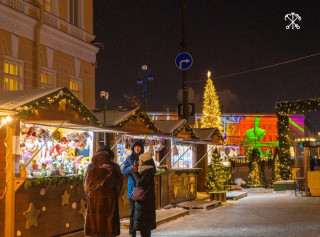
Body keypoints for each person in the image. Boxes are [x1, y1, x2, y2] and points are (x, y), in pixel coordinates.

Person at [84, 146, 123, 237]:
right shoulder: (113, 169)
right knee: (109, 226)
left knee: (96, 228)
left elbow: (87, 187)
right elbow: (119, 186)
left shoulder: (91, 170)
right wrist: (113, 196)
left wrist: (90, 196)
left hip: (94, 203)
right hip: (110, 202)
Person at [131, 147, 156, 237]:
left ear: (144, 161)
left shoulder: (147, 171)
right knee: (144, 227)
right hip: (145, 202)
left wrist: (134, 172)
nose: (139, 162)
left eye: (140, 160)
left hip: (145, 202)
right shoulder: (146, 170)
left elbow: (140, 183)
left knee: (145, 227)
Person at [122, 140, 144, 237]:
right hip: (132, 188)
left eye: (139, 147)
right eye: (135, 147)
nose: (137, 148)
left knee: (143, 211)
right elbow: (124, 171)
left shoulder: (145, 158)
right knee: (132, 211)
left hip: (143, 188)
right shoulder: (129, 159)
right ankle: (132, 232)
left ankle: (143, 230)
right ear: (133, 148)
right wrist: (132, 167)